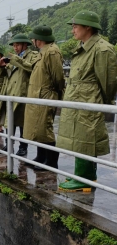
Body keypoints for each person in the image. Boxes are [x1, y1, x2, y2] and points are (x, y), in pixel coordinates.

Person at [57, 11, 117, 191]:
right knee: (79, 138)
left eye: (76, 26)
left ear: (88, 27)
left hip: (88, 101)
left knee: (85, 138)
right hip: (78, 100)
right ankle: (85, 176)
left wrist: (101, 102)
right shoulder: (83, 47)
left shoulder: (102, 49)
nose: (73, 30)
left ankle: (85, 179)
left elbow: (108, 82)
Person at [24, 25, 65, 171]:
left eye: (33, 39)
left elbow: (58, 78)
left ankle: (51, 162)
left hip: (46, 94)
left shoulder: (52, 52)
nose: (32, 41)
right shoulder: (43, 51)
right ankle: (41, 157)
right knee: (37, 129)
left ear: (38, 39)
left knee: (45, 128)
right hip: (38, 95)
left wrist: (54, 93)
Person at [0, 34, 38, 157]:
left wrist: (15, 60)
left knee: (23, 122)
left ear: (24, 44)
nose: (15, 47)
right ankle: (9, 144)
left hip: (23, 93)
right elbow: (0, 76)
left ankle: (23, 147)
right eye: (13, 45)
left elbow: (32, 68)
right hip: (10, 92)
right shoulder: (13, 57)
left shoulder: (33, 55)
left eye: (17, 45)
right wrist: (1, 67)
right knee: (9, 122)